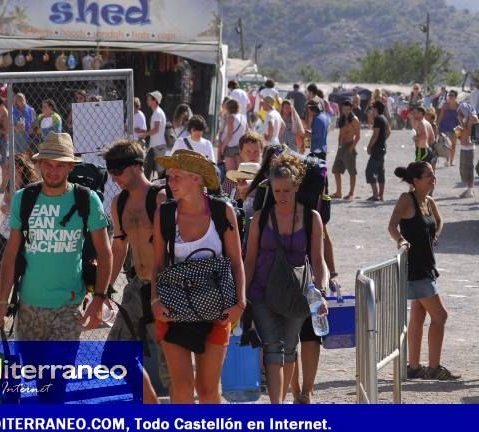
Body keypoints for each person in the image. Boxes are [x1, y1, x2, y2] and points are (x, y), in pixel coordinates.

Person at [0, 132, 113, 403]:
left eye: (60, 165)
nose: (53, 170)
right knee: (32, 375)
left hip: (68, 308)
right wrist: (2, 302)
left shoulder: (87, 199)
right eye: (48, 164)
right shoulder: (24, 199)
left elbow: (105, 253)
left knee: (55, 383)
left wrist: (100, 298)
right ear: (39, 164)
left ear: (71, 166)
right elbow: (10, 255)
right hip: (29, 306)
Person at [151, 150, 245, 403]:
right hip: (173, 307)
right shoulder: (165, 213)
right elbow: (158, 264)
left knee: (208, 389)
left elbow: (236, 261)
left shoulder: (222, 211)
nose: (170, 183)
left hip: (216, 307)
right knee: (181, 388)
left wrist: (240, 304)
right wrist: (155, 302)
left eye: (176, 177)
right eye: (169, 177)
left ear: (196, 179)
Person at [244, 154, 327, 403]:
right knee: (273, 347)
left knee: (290, 349)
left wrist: (320, 291)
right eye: (277, 190)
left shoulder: (312, 219)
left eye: (287, 190)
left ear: (297, 187)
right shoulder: (260, 218)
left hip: (296, 293)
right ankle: (277, 408)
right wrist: (241, 297)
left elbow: (317, 258)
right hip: (262, 292)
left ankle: (283, 401)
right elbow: (249, 260)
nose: (281, 196)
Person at [103, 139, 168, 404]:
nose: (113, 177)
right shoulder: (118, 203)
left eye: (116, 171)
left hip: (164, 288)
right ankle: (149, 400)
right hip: (136, 287)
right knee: (114, 356)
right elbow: (118, 247)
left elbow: (170, 249)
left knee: (171, 364)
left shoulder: (160, 198)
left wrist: (158, 292)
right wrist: (103, 290)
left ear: (134, 167)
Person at [388, 161, 459, 381]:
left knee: (419, 315)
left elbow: (440, 221)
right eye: (429, 175)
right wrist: (401, 241)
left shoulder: (429, 201)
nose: (433, 178)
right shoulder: (406, 199)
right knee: (441, 316)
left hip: (428, 266)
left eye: (433, 174)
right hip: (416, 269)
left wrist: (435, 235)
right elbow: (392, 226)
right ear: (416, 181)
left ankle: (414, 367)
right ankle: (434, 368)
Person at [0, 154, 39, 309]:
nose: (4, 168)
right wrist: (10, 207)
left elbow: (25, 210)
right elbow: (4, 204)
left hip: (21, 235)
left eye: (8, 165)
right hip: (5, 232)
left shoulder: (30, 186)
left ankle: (19, 310)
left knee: (20, 275)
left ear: (18, 167)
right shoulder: (11, 183)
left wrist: (11, 208)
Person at [332, 100, 361, 200]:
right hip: (341, 147)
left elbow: (358, 136)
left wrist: (351, 148)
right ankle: (338, 192)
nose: (345, 111)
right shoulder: (342, 118)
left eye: (347, 109)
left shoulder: (354, 120)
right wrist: (339, 145)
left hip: (349, 146)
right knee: (336, 170)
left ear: (351, 109)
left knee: (351, 171)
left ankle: (351, 193)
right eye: (344, 109)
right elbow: (341, 133)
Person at [365, 101, 390, 201]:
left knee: (370, 171)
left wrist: (369, 146)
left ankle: (375, 195)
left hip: (377, 149)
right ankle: (381, 195)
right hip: (383, 148)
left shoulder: (378, 119)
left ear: (375, 109)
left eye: (372, 109)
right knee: (380, 171)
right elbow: (389, 132)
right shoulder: (384, 118)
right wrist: (383, 140)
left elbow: (375, 135)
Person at [139, 91, 167, 179]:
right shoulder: (157, 112)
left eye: (149, 99)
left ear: (155, 101)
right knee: (147, 169)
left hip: (158, 146)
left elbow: (156, 129)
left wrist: (145, 134)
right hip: (155, 146)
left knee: (160, 172)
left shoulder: (157, 113)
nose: (147, 101)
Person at [456, 103, 478, 198]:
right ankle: (469, 189)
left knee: (469, 168)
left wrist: (461, 122)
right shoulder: (468, 117)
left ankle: (470, 190)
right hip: (464, 145)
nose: (460, 114)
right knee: (463, 168)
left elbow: (468, 131)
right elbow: (463, 134)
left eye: (461, 112)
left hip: (469, 147)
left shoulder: (472, 117)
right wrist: (458, 133)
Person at [217, 99, 246, 169]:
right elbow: (246, 132)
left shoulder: (231, 117)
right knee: (239, 171)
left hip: (230, 147)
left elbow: (229, 135)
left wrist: (222, 148)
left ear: (228, 108)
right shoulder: (243, 117)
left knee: (231, 173)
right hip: (239, 146)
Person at [437, 90, 458, 166]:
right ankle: (447, 160)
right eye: (449, 95)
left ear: (455, 97)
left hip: (455, 128)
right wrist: (437, 124)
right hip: (445, 127)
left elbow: (461, 118)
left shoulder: (458, 106)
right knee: (447, 144)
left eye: (452, 95)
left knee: (454, 145)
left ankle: (451, 161)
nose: (450, 97)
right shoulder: (445, 105)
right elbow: (441, 116)